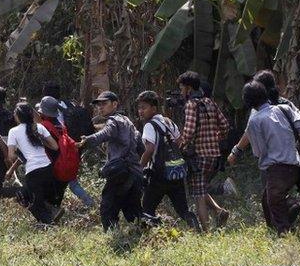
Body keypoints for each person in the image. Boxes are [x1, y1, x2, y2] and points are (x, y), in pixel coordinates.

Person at [234, 82, 300, 234]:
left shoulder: (255, 120)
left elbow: (259, 152)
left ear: (248, 101)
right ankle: (274, 228)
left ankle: (284, 233)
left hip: (277, 168)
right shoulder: (284, 108)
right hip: (295, 163)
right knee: (267, 201)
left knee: (274, 202)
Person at [78, 91, 143, 231]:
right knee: (133, 212)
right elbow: (140, 144)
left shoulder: (113, 121)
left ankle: (114, 240)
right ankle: (148, 237)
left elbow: (105, 133)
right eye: (99, 105)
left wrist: (88, 140)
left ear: (115, 104)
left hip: (121, 174)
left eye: (104, 103)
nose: (100, 107)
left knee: (107, 209)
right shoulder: (127, 121)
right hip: (135, 173)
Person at [136, 91, 200, 231]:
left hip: (158, 175)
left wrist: (139, 167)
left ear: (154, 109)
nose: (140, 111)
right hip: (175, 172)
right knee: (183, 210)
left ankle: (146, 239)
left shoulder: (149, 126)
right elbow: (180, 142)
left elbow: (149, 149)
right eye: (139, 107)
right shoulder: (168, 121)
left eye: (144, 107)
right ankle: (198, 232)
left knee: (147, 208)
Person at [177, 71, 230, 231]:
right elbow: (225, 126)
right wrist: (215, 137)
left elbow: (189, 131)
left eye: (181, 88)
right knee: (200, 188)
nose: (181, 92)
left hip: (198, 155)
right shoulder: (210, 102)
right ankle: (219, 211)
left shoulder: (191, 105)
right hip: (213, 155)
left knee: (198, 196)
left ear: (188, 88)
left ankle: (206, 233)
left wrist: (180, 144)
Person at [5, 103, 63, 224]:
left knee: (29, 200)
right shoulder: (39, 127)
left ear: (17, 116)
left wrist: (19, 153)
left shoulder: (13, 131)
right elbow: (55, 146)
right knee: (41, 199)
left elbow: (11, 156)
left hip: (33, 171)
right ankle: (52, 214)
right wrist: (40, 141)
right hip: (48, 168)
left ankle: (49, 225)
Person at [228, 70, 300, 164]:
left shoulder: (257, 111)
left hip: (272, 164)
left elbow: (249, 134)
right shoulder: (286, 105)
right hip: (294, 158)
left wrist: (236, 151)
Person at [41, 83, 96, 208]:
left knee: (64, 180)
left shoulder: (52, 111)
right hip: (74, 146)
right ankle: (88, 202)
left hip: (61, 149)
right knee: (70, 178)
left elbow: (56, 133)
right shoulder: (69, 104)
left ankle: (55, 207)